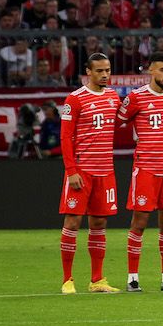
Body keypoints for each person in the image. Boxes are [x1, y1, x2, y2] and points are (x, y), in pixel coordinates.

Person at [118, 52, 163, 291]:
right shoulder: (136, 97)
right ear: (150, 70)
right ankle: (132, 278)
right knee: (140, 222)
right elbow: (118, 120)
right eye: (162, 70)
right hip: (146, 169)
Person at [58, 53, 121, 294]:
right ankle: (67, 279)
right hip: (81, 172)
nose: (105, 74)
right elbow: (65, 137)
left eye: (107, 70)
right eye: (100, 71)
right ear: (88, 72)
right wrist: (71, 170)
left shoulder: (114, 97)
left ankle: (97, 280)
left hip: (105, 172)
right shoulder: (74, 99)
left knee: (99, 223)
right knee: (73, 222)